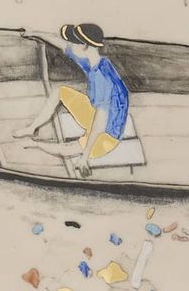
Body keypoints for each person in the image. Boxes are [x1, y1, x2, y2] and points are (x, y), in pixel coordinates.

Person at [13, 23, 130, 178]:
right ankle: (32, 128)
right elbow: (63, 45)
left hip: (107, 135)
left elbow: (100, 124)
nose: (70, 45)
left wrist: (84, 157)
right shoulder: (93, 61)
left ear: (84, 46)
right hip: (97, 114)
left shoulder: (102, 78)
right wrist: (34, 32)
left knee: (68, 149)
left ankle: (35, 144)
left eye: (73, 42)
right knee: (60, 92)